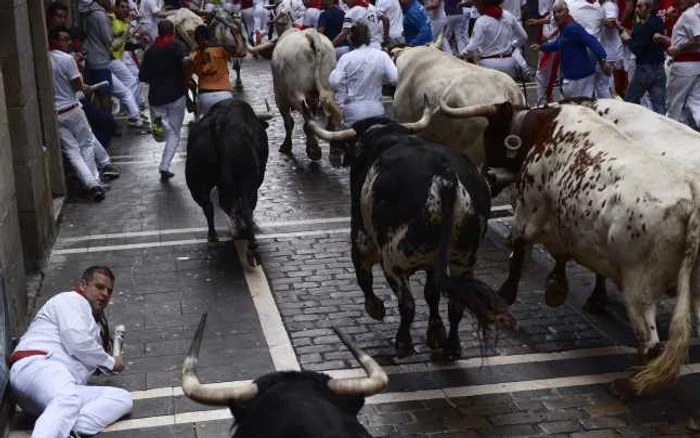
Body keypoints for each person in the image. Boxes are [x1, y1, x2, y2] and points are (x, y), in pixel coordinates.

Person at [9, 266, 131, 437]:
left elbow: (84, 357)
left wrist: (104, 353)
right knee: (67, 398)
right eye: (99, 287)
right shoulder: (70, 300)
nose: (104, 293)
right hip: (38, 366)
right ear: (83, 285)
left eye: (109, 291)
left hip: (59, 390)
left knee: (121, 398)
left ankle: (73, 430)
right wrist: (111, 362)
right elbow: (79, 343)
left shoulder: (91, 321)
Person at [49, 26, 108, 202]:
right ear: (55, 41)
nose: (68, 43)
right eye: (64, 39)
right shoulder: (67, 59)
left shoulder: (43, 57)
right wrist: (86, 87)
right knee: (87, 143)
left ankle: (89, 183)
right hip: (72, 109)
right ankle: (95, 181)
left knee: (72, 151)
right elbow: (77, 86)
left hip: (55, 113)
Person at [329, 22, 398, 165]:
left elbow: (335, 82)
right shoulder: (382, 56)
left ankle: (343, 154)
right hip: (376, 110)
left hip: (353, 112)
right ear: (368, 37)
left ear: (351, 39)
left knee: (354, 152)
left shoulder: (346, 58)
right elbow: (394, 78)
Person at [139, 20, 192, 181]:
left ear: (158, 31)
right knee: (173, 134)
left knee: (164, 132)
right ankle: (164, 166)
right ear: (173, 31)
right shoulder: (177, 46)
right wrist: (186, 79)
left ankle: (164, 165)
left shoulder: (150, 51)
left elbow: (143, 77)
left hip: (156, 97)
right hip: (177, 95)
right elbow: (187, 61)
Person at [536, 0, 611, 98]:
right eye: (555, 13)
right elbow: (559, 43)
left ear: (567, 12)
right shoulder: (565, 27)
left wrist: (603, 61)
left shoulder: (572, 27)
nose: (557, 15)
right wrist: (542, 47)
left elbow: (591, 40)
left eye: (559, 11)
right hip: (575, 76)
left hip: (580, 77)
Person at [656, 0, 700, 128]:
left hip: (684, 65)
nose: (678, 1)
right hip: (694, 64)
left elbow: (698, 39)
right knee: (695, 103)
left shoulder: (690, 14)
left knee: (674, 105)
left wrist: (678, 49)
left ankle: (672, 134)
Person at [462, 0, 528, 79]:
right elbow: (524, 37)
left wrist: (461, 55)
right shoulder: (508, 15)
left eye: (477, 4)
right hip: (509, 63)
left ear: (483, 4)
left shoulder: (481, 21)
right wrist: (513, 46)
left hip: (489, 65)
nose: (476, 7)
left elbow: (472, 47)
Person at [109, 0, 149, 129]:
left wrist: (139, 44)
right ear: (115, 8)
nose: (125, 10)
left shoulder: (122, 22)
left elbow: (125, 45)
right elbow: (113, 44)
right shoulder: (111, 20)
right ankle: (133, 114)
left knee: (135, 80)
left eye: (126, 7)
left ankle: (134, 111)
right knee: (131, 83)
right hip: (111, 59)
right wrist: (127, 31)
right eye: (121, 7)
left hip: (119, 58)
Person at [623, 0, 667, 113]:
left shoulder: (644, 25)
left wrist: (627, 39)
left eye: (639, 6)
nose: (636, 9)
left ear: (648, 8)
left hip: (645, 69)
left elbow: (636, 49)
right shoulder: (658, 21)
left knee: (629, 102)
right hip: (660, 69)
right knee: (659, 106)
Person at [190, 25, 236, 120]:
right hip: (224, 94)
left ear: (196, 39)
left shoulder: (193, 55)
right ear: (211, 36)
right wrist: (237, 34)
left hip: (204, 95)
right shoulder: (221, 49)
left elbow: (189, 79)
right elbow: (241, 51)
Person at [81, 0, 115, 114]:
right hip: (100, 60)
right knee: (105, 95)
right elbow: (108, 38)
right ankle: (108, 124)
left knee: (96, 95)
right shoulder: (100, 15)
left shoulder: (91, 13)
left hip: (92, 58)